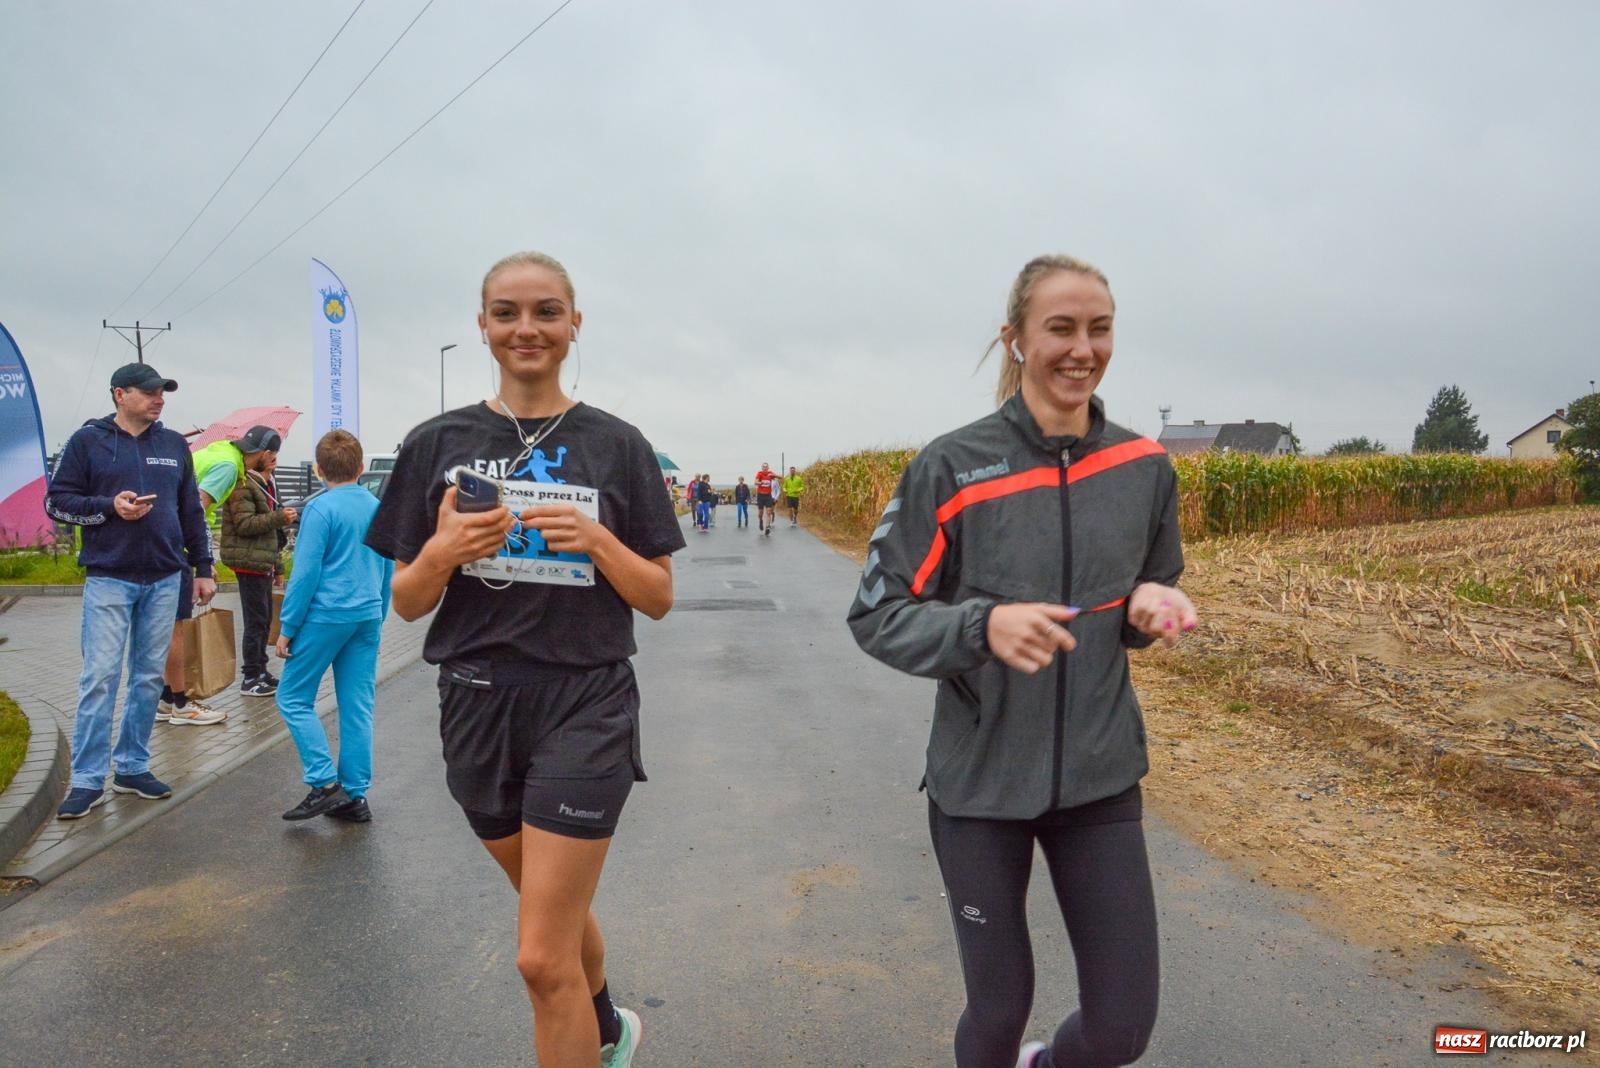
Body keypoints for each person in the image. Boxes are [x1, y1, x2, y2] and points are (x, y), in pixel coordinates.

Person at [847, 255, 1197, 1068]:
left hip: (1101, 776)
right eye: (1061, 329)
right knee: (999, 1009)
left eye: (1098, 328)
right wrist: (981, 625)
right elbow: (877, 613)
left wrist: (1150, 609)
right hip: (980, 786)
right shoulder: (953, 466)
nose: (1083, 348)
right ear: (1015, 339)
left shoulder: (1143, 466)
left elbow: (1153, 582)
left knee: (1119, 1030)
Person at [366, 251, 684, 1067]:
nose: (527, 328)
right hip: (475, 706)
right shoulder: (436, 442)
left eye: (547, 312)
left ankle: (591, 1026)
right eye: (507, 312)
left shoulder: (618, 445)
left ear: (575, 325)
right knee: (561, 924)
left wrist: (601, 541)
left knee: (540, 959)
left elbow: (657, 595)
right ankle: (607, 1027)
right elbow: (406, 601)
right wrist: (442, 549)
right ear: (482, 327)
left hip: (586, 703)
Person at [45, 363, 218, 819]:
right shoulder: (88, 441)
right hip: (109, 578)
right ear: (119, 394)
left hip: (164, 577)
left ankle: (132, 766)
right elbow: (57, 502)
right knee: (100, 678)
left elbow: (190, 510)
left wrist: (203, 567)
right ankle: (86, 780)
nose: (158, 398)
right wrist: (109, 507)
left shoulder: (173, 444)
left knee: (147, 678)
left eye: (162, 391)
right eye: (148, 392)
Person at [273, 429, 392, 823]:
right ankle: (355, 796)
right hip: (367, 615)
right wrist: (381, 611)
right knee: (357, 706)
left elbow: (304, 574)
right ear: (361, 467)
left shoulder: (321, 510)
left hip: (325, 616)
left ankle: (324, 783)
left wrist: (287, 627)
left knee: (292, 697)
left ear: (319, 470)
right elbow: (388, 566)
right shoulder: (378, 507)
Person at [219, 427, 297, 696]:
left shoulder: (265, 482)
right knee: (255, 621)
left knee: (264, 619)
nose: (249, 454)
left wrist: (278, 566)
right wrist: (279, 517)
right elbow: (245, 524)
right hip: (247, 561)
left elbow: (271, 535)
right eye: (251, 450)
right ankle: (250, 677)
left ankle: (261, 670)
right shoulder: (242, 483)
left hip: (261, 561)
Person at [753, 462, 779, 535]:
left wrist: (774, 476)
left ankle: (767, 527)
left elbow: (779, 477)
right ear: (762, 468)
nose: (765, 468)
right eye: (763, 467)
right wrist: (759, 483)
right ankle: (760, 521)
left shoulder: (770, 473)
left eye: (766, 467)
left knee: (769, 512)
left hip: (768, 496)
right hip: (760, 496)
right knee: (760, 513)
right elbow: (755, 482)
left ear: (768, 468)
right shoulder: (759, 473)